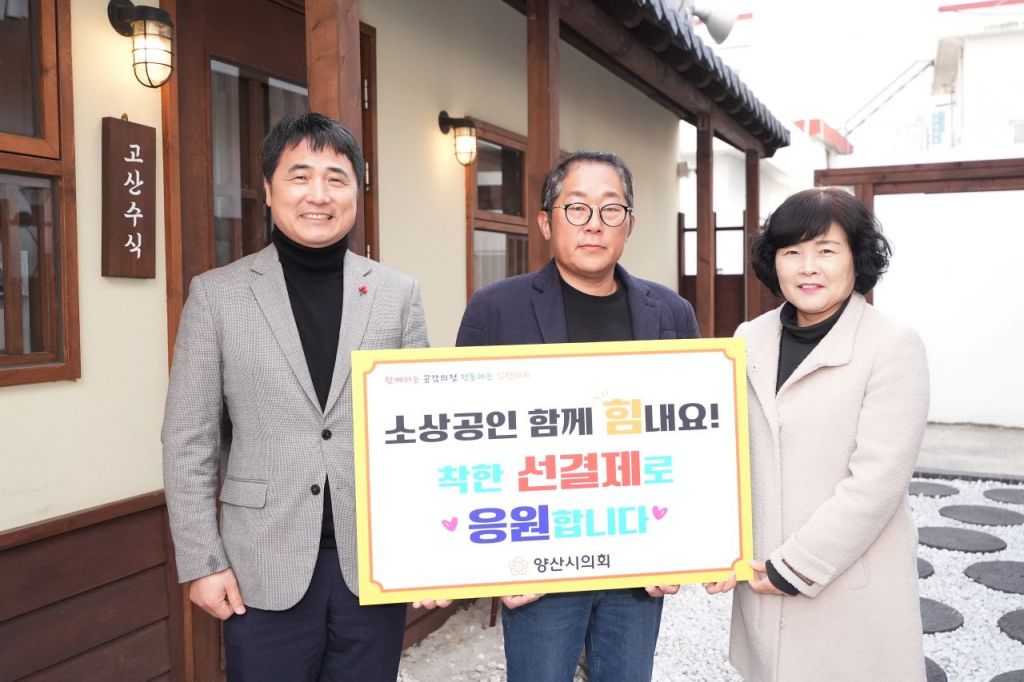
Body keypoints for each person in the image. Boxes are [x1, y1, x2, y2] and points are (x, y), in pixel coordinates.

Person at [162, 113, 429, 681]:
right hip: (261, 566)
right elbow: (188, 441)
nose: (318, 195)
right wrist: (202, 562)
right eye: (300, 176)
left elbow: (421, 437)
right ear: (268, 189)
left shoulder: (397, 294)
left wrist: (429, 551)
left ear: (357, 191)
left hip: (374, 562)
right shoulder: (217, 296)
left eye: (336, 178)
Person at [456, 150, 698, 682]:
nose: (594, 224)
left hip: (638, 557)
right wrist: (491, 564)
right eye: (577, 208)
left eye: (611, 209)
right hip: (538, 559)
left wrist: (683, 547)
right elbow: (466, 441)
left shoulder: (671, 313)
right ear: (546, 221)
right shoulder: (495, 310)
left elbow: (691, 442)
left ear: (629, 223)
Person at [705, 188, 929, 681]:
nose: (808, 267)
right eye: (792, 252)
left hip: (845, 585)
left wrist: (797, 564)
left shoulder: (892, 345)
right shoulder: (748, 337)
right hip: (763, 581)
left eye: (826, 250)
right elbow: (725, 452)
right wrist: (714, 545)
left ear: (857, 258)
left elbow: (877, 482)